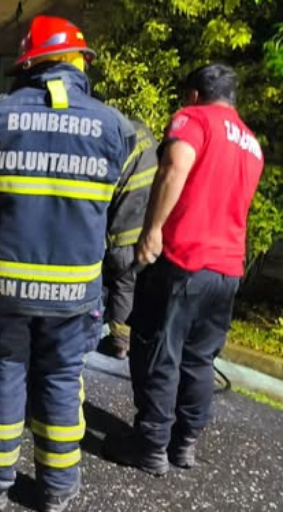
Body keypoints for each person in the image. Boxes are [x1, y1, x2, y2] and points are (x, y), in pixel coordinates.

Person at [0, 15, 135, 512]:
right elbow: (123, 195)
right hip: (73, 294)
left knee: (2, 376)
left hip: (1, 289)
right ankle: (57, 491)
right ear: (78, 62)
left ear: (27, 65)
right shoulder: (115, 127)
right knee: (61, 382)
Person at [105, 64, 264, 475]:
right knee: (199, 358)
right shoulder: (251, 143)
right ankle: (184, 443)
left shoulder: (193, 118)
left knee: (159, 350)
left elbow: (175, 164)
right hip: (227, 269)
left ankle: (151, 445)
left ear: (194, 94)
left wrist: (152, 230)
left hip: (183, 260)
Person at [99, 120, 158, 359]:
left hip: (125, 230)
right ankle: (125, 338)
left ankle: (119, 342)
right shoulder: (144, 136)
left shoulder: (116, 140)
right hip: (149, 228)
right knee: (129, 282)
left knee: (122, 280)